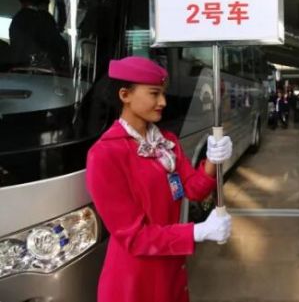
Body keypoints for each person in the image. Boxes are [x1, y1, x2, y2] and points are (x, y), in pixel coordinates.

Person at [86, 56, 233, 302]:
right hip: (135, 281)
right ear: (125, 95)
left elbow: (193, 189)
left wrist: (212, 161)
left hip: (171, 269)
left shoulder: (167, 142)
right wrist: (196, 232)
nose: (163, 102)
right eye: (154, 94)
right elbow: (134, 237)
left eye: (163, 93)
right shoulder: (105, 154)